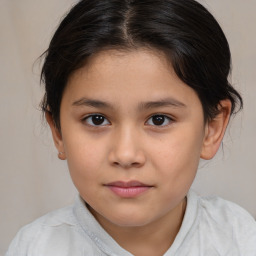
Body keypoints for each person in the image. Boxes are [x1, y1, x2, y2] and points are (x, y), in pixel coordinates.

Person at [6, 0, 256, 255]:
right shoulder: (34, 248)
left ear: (211, 128)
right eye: (96, 119)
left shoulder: (240, 239)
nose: (126, 155)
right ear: (58, 131)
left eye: (159, 119)